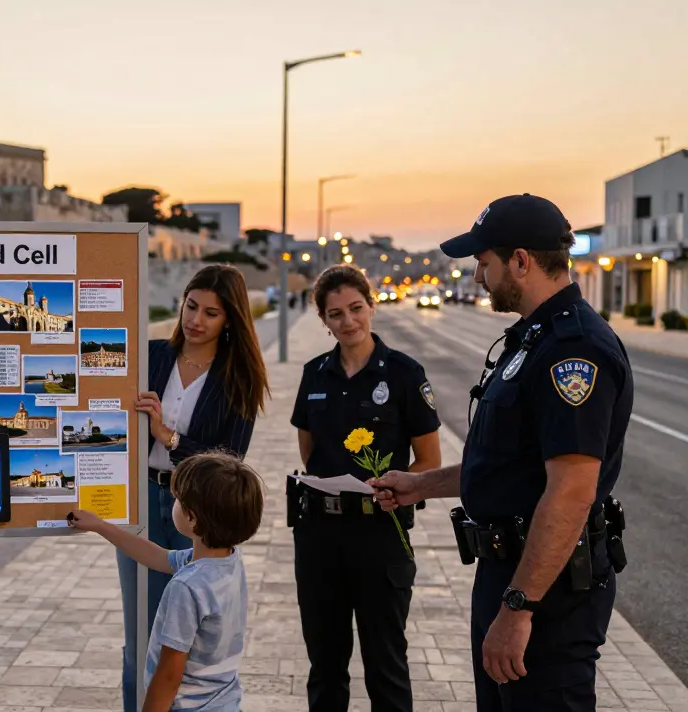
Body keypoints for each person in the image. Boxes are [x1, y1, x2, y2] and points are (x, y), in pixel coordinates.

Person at [371, 194, 633, 711]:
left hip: (547, 596)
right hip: (508, 575)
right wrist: (420, 485)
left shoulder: (573, 352)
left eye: (483, 263)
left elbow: (571, 492)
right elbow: (507, 462)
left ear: (521, 260)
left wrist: (519, 608)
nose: (476, 277)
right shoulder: (530, 341)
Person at [288, 264, 442, 711]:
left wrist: (400, 487)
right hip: (319, 536)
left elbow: (429, 461)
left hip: (381, 535)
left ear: (371, 306)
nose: (348, 321)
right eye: (335, 314)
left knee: (386, 664)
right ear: (324, 320)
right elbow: (309, 451)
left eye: (356, 308)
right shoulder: (314, 374)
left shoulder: (404, 374)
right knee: (325, 666)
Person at [118, 263, 269, 712]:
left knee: (187, 640)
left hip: (199, 510)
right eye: (190, 306)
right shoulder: (148, 357)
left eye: (211, 313)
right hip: (144, 498)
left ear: (231, 320)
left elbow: (231, 461)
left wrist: (168, 436)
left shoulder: (239, 376)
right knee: (140, 635)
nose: (195, 320)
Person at [71, 452, 265, 712]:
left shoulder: (186, 587)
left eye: (178, 499)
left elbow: (170, 674)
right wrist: (102, 526)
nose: (173, 502)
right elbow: (158, 556)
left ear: (192, 518)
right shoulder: (227, 561)